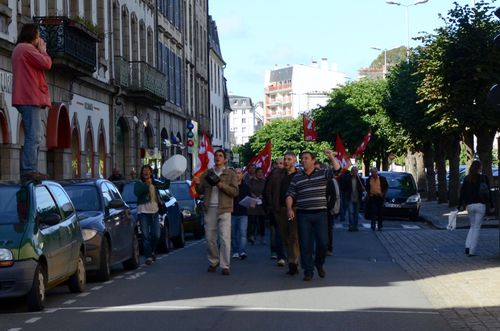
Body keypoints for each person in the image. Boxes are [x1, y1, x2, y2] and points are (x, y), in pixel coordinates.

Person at [286, 150, 340, 281]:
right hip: (304, 214)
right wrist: (289, 208)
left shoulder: (322, 173)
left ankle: (319, 263)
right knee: (305, 244)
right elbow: (290, 194)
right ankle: (308, 271)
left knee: (323, 243)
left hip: (320, 213)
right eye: (302, 158)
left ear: (313, 160)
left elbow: (337, 170)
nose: (303, 160)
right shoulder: (297, 177)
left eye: (306, 158)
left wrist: (331, 157)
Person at [12, 24, 52, 181]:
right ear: (32, 36)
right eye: (37, 35)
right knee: (34, 136)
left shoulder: (20, 49)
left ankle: (31, 169)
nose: (39, 39)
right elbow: (47, 63)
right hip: (29, 97)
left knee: (35, 135)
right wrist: (43, 51)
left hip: (27, 97)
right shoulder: (26, 49)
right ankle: (29, 169)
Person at [193, 149, 239, 275]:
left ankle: (225, 265)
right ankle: (214, 261)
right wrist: (197, 184)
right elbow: (200, 191)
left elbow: (235, 192)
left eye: (220, 156)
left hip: (224, 208)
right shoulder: (207, 173)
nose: (218, 157)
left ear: (225, 159)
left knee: (224, 238)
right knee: (210, 238)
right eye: (216, 156)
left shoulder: (230, 173)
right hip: (210, 208)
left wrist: (221, 185)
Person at [265, 151, 299, 275]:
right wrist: (272, 206)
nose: (286, 161)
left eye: (289, 159)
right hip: (280, 209)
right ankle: (291, 259)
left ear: (295, 161)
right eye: (285, 159)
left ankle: (293, 262)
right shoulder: (277, 174)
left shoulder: (299, 175)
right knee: (284, 237)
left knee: (294, 236)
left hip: (295, 209)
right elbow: (268, 191)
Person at [134, 165, 169, 265]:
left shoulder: (154, 182)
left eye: (148, 171)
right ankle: (148, 256)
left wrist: (168, 177)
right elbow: (137, 192)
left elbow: (165, 186)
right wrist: (147, 185)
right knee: (145, 236)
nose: (146, 172)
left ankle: (152, 250)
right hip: (143, 213)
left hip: (154, 212)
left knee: (156, 235)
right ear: (141, 173)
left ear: (151, 173)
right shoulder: (139, 183)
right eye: (144, 171)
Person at [458, 160, 494, 257]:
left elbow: (462, 193)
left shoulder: (467, 178)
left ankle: (467, 246)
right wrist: (491, 205)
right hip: (481, 205)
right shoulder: (484, 178)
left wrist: (460, 205)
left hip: (469, 206)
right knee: (477, 227)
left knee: (472, 226)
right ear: (480, 168)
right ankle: (472, 250)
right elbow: (488, 192)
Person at [231, 168, 250, 260]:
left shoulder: (246, 186)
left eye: (239, 173)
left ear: (242, 175)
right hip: (232, 213)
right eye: (235, 173)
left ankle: (242, 251)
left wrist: (251, 203)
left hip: (243, 213)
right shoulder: (230, 186)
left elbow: (249, 198)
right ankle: (235, 251)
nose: (237, 175)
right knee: (233, 234)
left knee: (243, 233)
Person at [340, 166, 365, 231]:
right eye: (353, 170)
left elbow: (363, 189)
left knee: (356, 213)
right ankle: (351, 225)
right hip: (350, 198)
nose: (354, 172)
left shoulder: (360, 180)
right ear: (351, 172)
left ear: (357, 172)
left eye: (356, 171)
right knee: (351, 212)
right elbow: (344, 187)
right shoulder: (348, 179)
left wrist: (363, 188)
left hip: (357, 198)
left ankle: (355, 226)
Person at [247, 167, 267, 245]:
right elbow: (248, 190)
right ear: (256, 173)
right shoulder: (251, 181)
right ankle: (251, 236)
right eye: (258, 172)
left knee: (262, 221)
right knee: (252, 220)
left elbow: (267, 190)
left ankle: (262, 237)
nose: (260, 173)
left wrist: (263, 195)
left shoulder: (264, 181)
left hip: (261, 203)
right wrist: (253, 196)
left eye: (261, 172)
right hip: (253, 203)